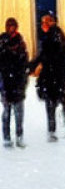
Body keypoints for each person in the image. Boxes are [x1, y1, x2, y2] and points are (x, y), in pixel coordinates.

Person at [27, 12, 65, 141]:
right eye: (42, 22)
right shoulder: (57, 36)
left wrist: (32, 66)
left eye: (47, 21)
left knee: (52, 104)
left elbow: (46, 56)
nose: (44, 24)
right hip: (58, 77)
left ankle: (53, 131)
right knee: (61, 104)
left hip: (54, 77)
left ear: (53, 22)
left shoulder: (53, 37)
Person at [0, 18, 29, 147]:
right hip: (6, 81)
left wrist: (24, 77)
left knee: (19, 112)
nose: (11, 28)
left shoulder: (21, 42)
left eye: (13, 26)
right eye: (9, 26)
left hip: (18, 81)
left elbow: (24, 62)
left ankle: (19, 136)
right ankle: (6, 137)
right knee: (6, 111)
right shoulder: (2, 41)